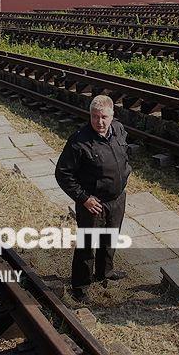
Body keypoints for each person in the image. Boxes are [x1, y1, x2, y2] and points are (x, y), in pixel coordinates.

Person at [55, 94, 131, 300]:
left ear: (112, 115)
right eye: (95, 117)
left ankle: (105, 272)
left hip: (116, 199)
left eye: (104, 117)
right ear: (90, 116)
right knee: (87, 244)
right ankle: (81, 286)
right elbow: (63, 173)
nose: (100, 122)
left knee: (110, 238)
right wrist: (84, 198)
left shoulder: (119, 130)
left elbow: (124, 156)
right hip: (92, 203)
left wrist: (124, 176)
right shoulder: (79, 141)